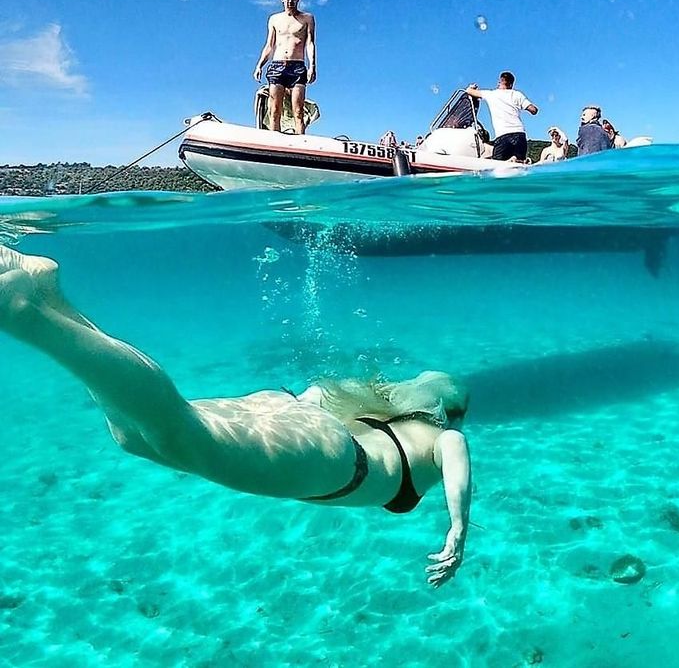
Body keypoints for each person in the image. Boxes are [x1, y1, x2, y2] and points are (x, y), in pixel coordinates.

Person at [0, 245, 471, 588]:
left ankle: (49, 296)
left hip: (305, 426)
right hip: (332, 463)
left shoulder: (385, 419)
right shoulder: (438, 436)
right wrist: (458, 527)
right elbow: (455, 451)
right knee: (174, 430)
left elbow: (315, 402)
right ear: (447, 411)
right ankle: (21, 311)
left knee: (135, 435)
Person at [253, 0, 317, 134]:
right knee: (275, 109)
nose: (290, 1)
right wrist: (259, 66)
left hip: (297, 67)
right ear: (282, 0)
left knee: (298, 110)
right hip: (277, 66)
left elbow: (310, 43)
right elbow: (269, 45)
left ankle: (301, 144)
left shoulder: (307, 18)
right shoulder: (274, 19)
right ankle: (274, 143)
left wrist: (312, 66)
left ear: (297, 0)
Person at [465, 71, 539, 162]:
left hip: (503, 136)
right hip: (520, 136)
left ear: (500, 82)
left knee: (497, 167)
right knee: (519, 167)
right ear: (511, 84)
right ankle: (516, 159)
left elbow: (469, 91)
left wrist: (471, 87)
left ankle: (513, 159)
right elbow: (533, 110)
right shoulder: (517, 94)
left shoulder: (492, 94)